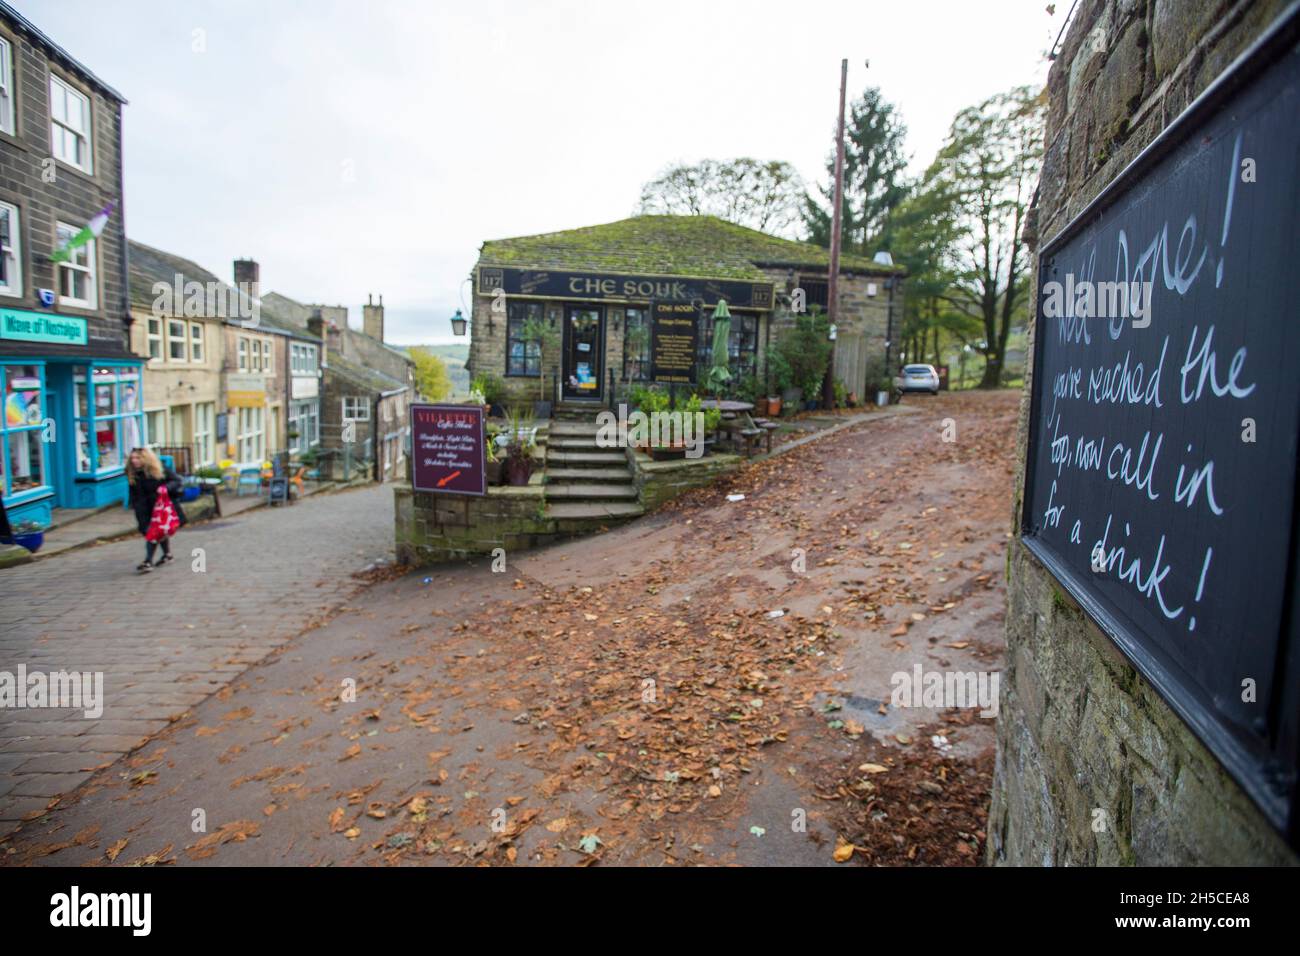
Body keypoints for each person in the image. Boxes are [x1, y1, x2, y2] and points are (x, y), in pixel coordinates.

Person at [126, 447, 187, 573]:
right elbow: (133, 492)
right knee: (155, 532)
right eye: (132, 458)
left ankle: (148, 561)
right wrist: (134, 504)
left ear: (146, 458)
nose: (134, 461)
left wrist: (165, 487)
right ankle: (167, 555)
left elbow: (176, 480)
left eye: (138, 458)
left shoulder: (159, 469)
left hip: (161, 507)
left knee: (153, 533)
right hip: (143, 508)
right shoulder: (132, 473)